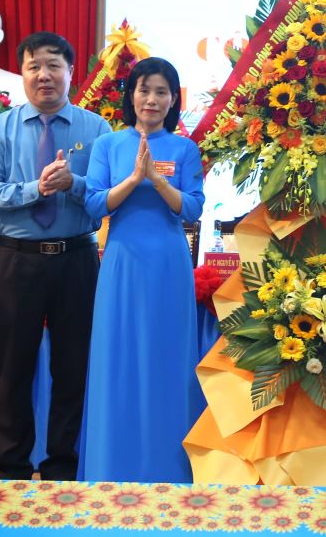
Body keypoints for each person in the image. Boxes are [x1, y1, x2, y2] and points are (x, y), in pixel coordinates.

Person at [0, 31, 110, 480]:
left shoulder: (97, 130)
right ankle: (11, 465)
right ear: (22, 74)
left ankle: (62, 467)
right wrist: (38, 188)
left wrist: (76, 185)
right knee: (13, 367)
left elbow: (108, 196)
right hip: (19, 259)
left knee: (72, 367)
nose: (44, 75)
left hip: (76, 259)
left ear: (71, 72)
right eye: (34, 66)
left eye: (54, 65)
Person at [78, 57, 205, 482]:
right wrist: (134, 179)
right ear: (131, 95)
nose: (151, 99)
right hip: (122, 265)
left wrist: (159, 180)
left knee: (167, 359)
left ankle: (168, 469)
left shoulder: (185, 149)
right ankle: (110, 462)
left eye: (161, 92)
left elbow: (192, 208)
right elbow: (94, 205)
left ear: (173, 100)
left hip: (168, 265)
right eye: (144, 90)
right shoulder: (109, 145)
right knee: (119, 359)